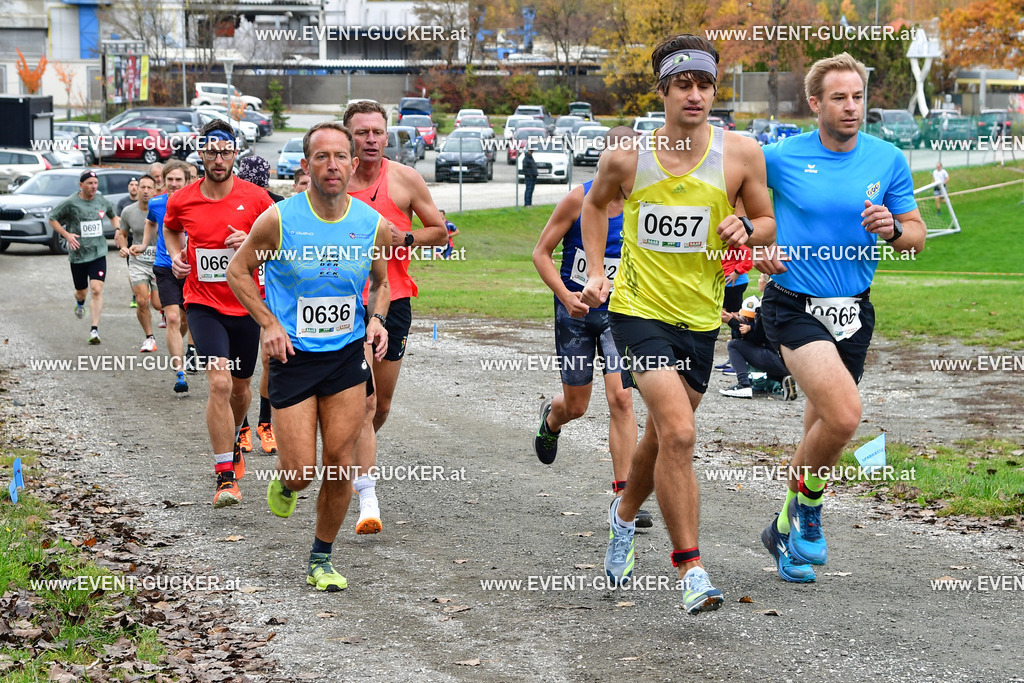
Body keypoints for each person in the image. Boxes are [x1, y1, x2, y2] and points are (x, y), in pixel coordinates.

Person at [579, 33, 776, 613]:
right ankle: (691, 569)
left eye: (705, 84)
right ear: (663, 89)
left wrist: (748, 230)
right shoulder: (626, 157)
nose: (695, 94)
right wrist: (595, 271)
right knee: (681, 434)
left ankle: (620, 520)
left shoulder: (741, 153)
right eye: (684, 84)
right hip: (637, 312)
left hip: (699, 319)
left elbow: (766, 221)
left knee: (660, 437)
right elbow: (593, 206)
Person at [756, 52, 925, 583]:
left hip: (853, 311)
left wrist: (892, 230)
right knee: (845, 415)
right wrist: (753, 247)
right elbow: (736, 205)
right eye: (839, 98)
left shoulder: (887, 158)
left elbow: (917, 236)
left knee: (821, 430)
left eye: (858, 97)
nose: (851, 107)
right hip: (792, 304)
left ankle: (782, 531)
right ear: (815, 103)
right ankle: (809, 509)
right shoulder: (780, 156)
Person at [228, 121, 391, 591]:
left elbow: (382, 283)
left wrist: (376, 321)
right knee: (300, 472)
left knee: (340, 461)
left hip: (344, 357)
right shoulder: (279, 219)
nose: (333, 165)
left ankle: (322, 556)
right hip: (293, 357)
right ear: (306, 165)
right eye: (322, 157)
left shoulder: (368, 223)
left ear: (354, 163)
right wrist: (270, 323)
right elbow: (238, 273)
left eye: (341, 156)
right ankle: (288, 483)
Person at [531, 128, 653, 529]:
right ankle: (553, 418)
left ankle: (623, 496)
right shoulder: (578, 198)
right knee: (578, 406)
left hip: (621, 315)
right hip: (577, 311)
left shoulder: (645, 204)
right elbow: (541, 253)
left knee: (622, 399)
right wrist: (566, 295)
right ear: (602, 162)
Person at [343, 100, 448, 533]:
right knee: (364, 402)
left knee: (380, 404)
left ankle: (354, 450)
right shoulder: (334, 178)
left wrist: (404, 235)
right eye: (362, 132)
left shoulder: (405, 179)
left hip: (395, 297)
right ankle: (367, 495)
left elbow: (440, 231)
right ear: (348, 135)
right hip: (343, 301)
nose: (370, 139)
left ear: (387, 136)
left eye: (377, 132)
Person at [164, 119, 274, 508]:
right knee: (219, 384)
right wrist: (178, 256)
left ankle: (236, 433)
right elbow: (172, 228)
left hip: (246, 304)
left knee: (241, 389)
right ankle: (225, 476)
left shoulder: (258, 199)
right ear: (201, 153)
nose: (219, 158)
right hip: (203, 303)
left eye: (226, 150)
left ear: (235, 153)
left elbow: (278, 246)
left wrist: (251, 243)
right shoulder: (183, 199)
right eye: (211, 151)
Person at [235, 154, 283, 455]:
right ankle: (241, 427)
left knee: (269, 361)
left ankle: (265, 423)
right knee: (240, 369)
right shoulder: (231, 201)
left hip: (271, 292)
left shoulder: (279, 205)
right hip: (240, 292)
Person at [134, 160, 193, 393]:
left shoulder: (196, 203)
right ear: (163, 181)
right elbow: (150, 223)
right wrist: (143, 244)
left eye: (179, 179)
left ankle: (179, 346)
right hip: (165, 266)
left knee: (186, 319)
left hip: (191, 269)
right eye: (170, 180)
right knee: (173, 318)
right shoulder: (157, 203)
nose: (174, 184)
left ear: (187, 181)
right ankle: (180, 372)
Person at [48, 170, 121, 344]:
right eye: (89, 183)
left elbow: (113, 216)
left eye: (95, 183)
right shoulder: (70, 202)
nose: (93, 186)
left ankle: (94, 330)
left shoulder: (102, 200)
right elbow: (52, 218)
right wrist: (66, 234)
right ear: (81, 185)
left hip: (98, 252)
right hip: (78, 254)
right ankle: (80, 303)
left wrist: (118, 229)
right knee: (82, 292)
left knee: (96, 289)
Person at [719, 290, 797, 400]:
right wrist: (737, 322)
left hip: (773, 358)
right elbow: (745, 337)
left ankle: (743, 384)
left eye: (749, 318)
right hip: (783, 361)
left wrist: (733, 323)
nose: (746, 320)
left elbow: (755, 339)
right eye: (744, 317)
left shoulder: (762, 318)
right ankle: (783, 379)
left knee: (733, 345)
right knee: (741, 346)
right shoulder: (772, 314)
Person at [117, 174, 159, 352]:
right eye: (143, 187)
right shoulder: (128, 211)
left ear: (155, 190)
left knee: (157, 304)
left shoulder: (161, 208)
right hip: (137, 261)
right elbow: (123, 234)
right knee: (142, 301)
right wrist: (124, 247)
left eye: (150, 188)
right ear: (137, 189)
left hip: (159, 261)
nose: (146, 191)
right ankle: (149, 338)